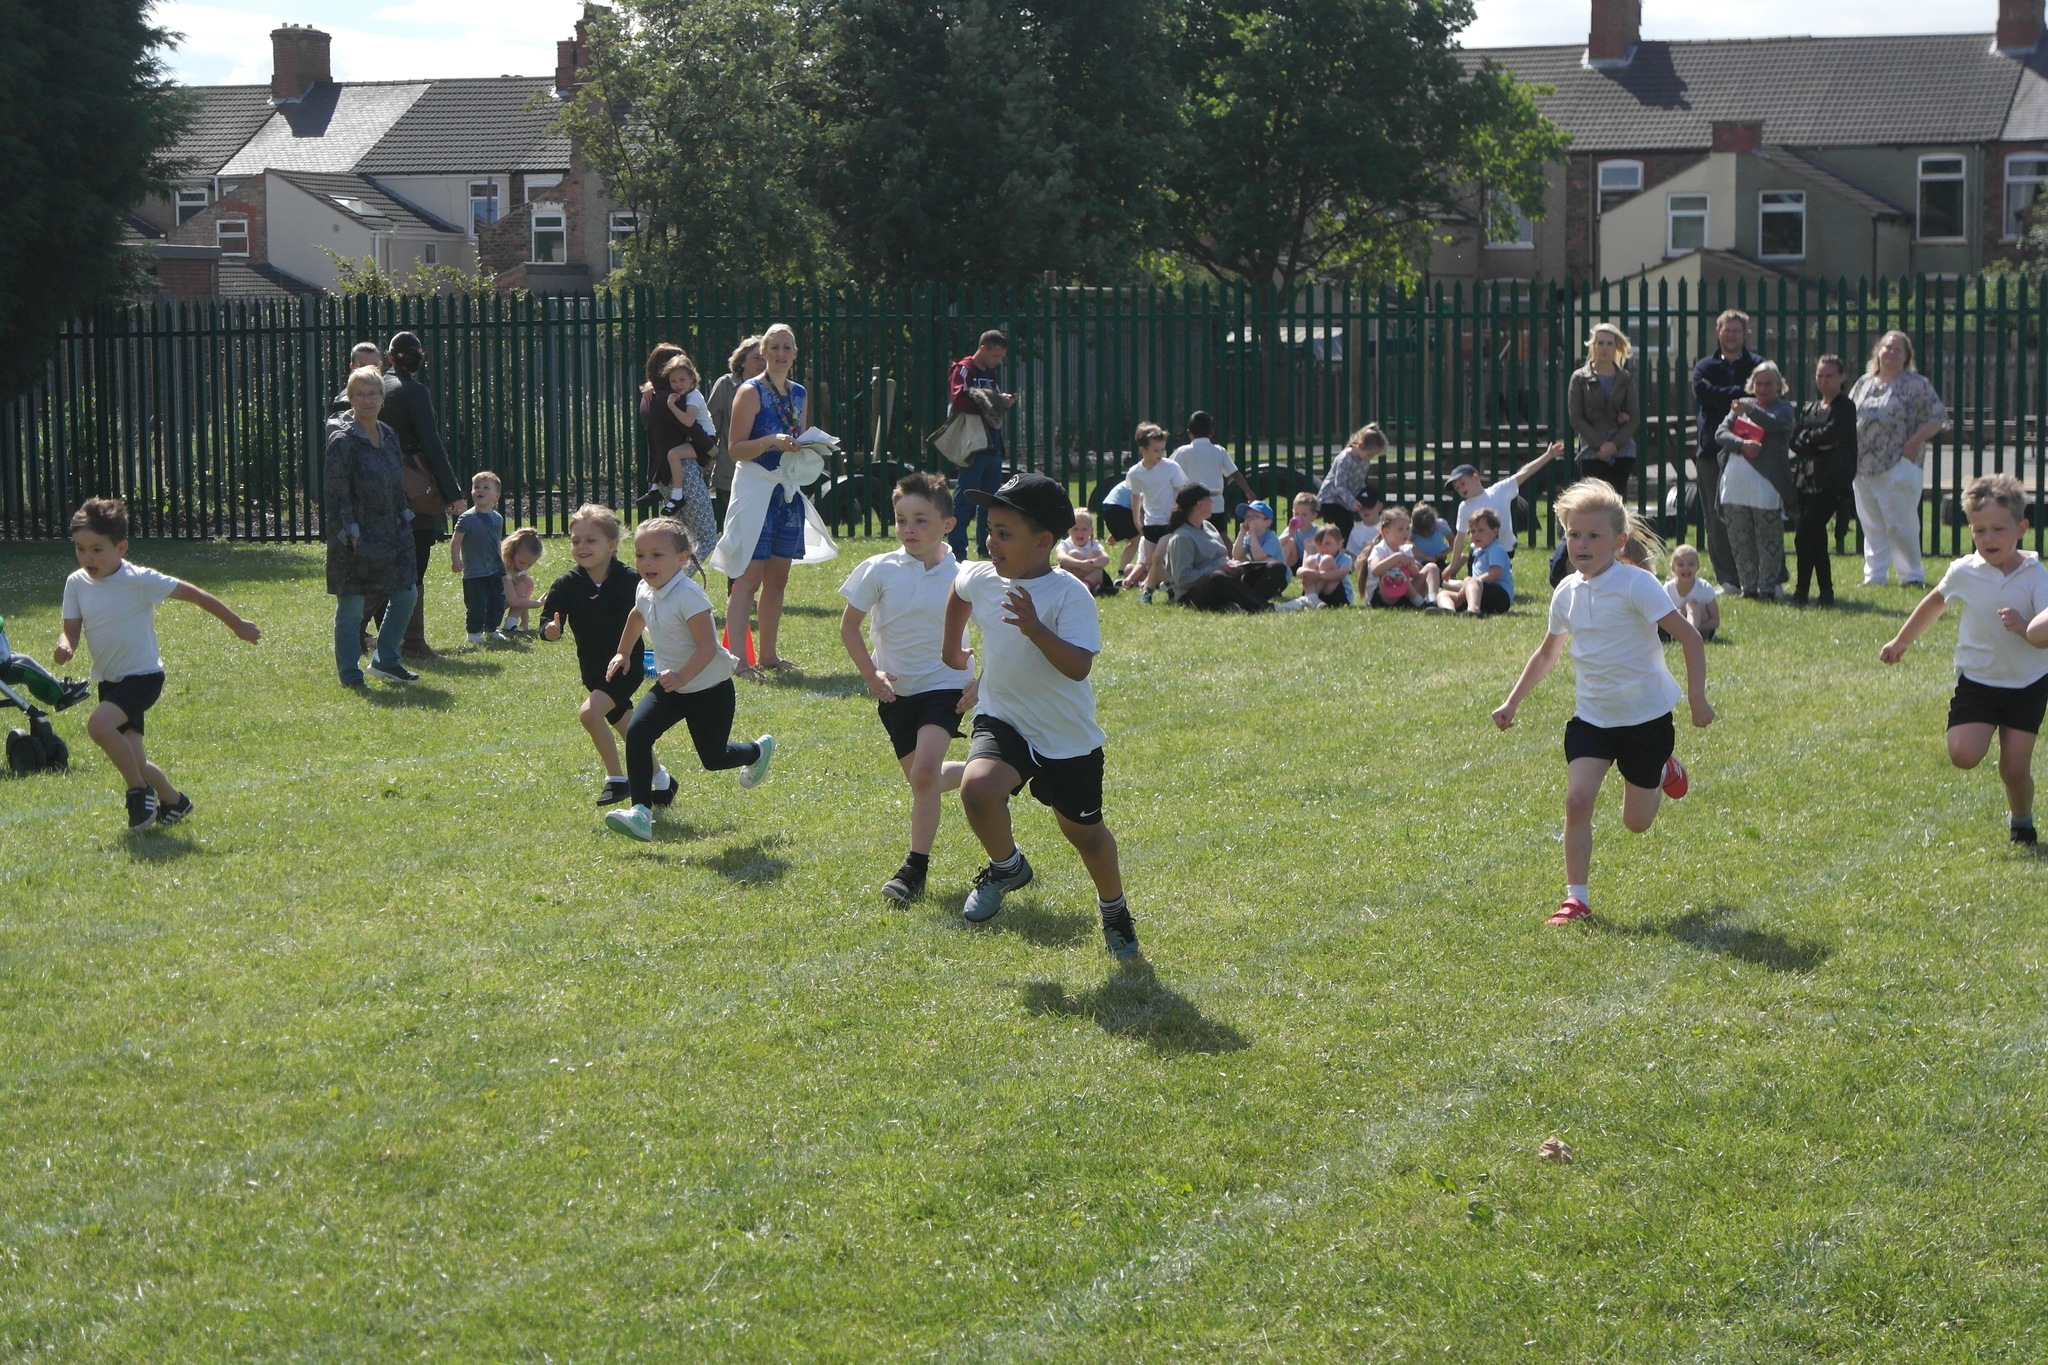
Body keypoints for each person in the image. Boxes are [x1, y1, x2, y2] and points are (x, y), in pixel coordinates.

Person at [1493, 479, 1714, 926]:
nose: (1581, 543)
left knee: (1637, 823)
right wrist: (1512, 702)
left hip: (1645, 719)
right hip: (1592, 718)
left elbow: (1689, 636)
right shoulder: (1566, 592)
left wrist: (1696, 698)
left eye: (1593, 536)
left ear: (1618, 541)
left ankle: (1663, 767)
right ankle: (1577, 898)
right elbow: (1548, 652)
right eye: (1574, 534)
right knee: (1577, 801)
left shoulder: (1637, 584)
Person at [941, 474, 1138, 958]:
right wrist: (951, 649)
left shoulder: (1069, 595)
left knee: (1085, 836)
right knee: (978, 788)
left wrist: (1034, 629)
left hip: (1065, 735)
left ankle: (1114, 910)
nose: (991, 541)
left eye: (1005, 533)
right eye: (990, 529)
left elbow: (1078, 666)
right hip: (1003, 717)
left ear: (1043, 542)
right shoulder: (983, 576)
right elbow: (960, 590)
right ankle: (1007, 867)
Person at [52, 497, 260, 831]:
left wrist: (237, 624)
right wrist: (66, 645)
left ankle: (138, 792)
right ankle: (175, 801)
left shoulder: (139, 580)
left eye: (97, 549)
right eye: (80, 549)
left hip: (143, 677)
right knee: (135, 757)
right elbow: (71, 628)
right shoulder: (76, 583)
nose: (87, 558)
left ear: (121, 547)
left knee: (99, 727)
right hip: (110, 680)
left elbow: (196, 595)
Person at [1879, 474, 2048, 845]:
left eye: (1999, 529)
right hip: (1979, 681)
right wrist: (1902, 640)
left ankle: (2021, 821)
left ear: (2021, 528)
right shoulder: (1964, 571)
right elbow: (1936, 602)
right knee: (1963, 754)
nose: (1989, 539)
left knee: (2014, 768)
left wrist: (2023, 629)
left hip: (2027, 683)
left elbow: (2041, 636)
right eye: (1979, 529)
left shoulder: (2036, 576)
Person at [838, 473, 977, 903]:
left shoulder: (966, 574)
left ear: (948, 524)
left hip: (946, 684)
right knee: (925, 781)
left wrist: (981, 681)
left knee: (922, 776)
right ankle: (989, 773)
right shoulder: (880, 568)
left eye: (921, 520)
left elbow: (1007, 630)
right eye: (901, 520)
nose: (909, 529)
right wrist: (870, 674)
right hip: (895, 692)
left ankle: (913, 870)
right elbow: (849, 628)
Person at [603, 518, 775, 842]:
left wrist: (682, 675)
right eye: (640, 555)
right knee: (638, 732)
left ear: (682, 558)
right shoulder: (645, 588)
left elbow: (709, 646)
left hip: (709, 689)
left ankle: (756, 751)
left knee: (714, 758)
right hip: (673, 687)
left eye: (656, 554)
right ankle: (641, 812)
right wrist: (622, 653)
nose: (646, 563)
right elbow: (637, 615)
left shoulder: (689, 596)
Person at [708, 322, 837, 674]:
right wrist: (770, 441)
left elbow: (797, 437)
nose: (781, 354)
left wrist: (809, 446)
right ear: (763, 354)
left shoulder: (799, 393)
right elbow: (734, 449)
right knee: (747, 578)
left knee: (778, 578)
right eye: (774, 347)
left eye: (787, 347)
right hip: (756, 489)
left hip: (787, 490)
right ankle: (738, 661)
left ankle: (768, 655)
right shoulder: (749, 391)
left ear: (795, 354)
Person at [540, 504, 665, 808]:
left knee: (589, 714)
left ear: (612, 545)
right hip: (593, 673)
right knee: (630, 731)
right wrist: (551, 630)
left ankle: (617, 779)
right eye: (575, 540)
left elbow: (657, 607)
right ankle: (661, 781)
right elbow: (546, 622)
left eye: (590, 540)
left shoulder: (631, 579)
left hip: (625, 666)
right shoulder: (566, 585)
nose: (581, 547)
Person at [325, 365, 423, 687]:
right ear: (350, 399)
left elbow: (396, 484)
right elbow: (336, 493)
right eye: (359, 394)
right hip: (354, 534)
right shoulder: (342, 439)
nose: (366, 400)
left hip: (391, 530)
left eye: (373, 394)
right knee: (352, 607)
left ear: (383, 398)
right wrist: (349, 531)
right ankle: (350, 674)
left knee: (406, 593)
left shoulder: (389, 434)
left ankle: (385, 661)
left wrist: (405, 515)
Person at [377, 331, 467, 660]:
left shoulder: (369, 388)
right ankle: (412, 643)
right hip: (413, 487)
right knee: (414, 566)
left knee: (383, 564)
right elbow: (431, 445)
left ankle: (366, 636)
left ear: (388, 357)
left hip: (374, 484)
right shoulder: (414, 392)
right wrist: (453, 493)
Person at [1851, 330, 1949, 589]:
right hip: (1863, 464)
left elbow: (1937, 418)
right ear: (1878, 351)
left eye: (1898, 349)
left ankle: (1911, 575)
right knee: (1871, 522)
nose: (1891, 352)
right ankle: (1875, 575)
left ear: (1906, 356)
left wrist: (1912, 443)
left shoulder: (1916, 384)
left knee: (1900, 523)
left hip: (1898, 463)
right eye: (1887, 347)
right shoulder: (1864, 383)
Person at [1714, 360, 1797, 601]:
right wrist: (1742, 445)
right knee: (1741, 540)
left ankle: (1768, 588)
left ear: (1778, 386)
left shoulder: (1783, 409)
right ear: (1752, 385)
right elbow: (1721, 433)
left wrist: (1749, 411)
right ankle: (1748, 588)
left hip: (1765, 486)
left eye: (1768, 384)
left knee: (1768, 538)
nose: (1762, 388)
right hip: (1734, 486)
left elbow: (1772, 423)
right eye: (1758, 384)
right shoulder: (1742, 406)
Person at [1691, 310, 1761, 589]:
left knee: (1751, 513)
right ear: (1717, 332)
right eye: (1726, 329)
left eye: (1736, 330)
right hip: (1711, 450)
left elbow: (1760, 399)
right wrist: (1740, 395)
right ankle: (1728, 579)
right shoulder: (1704, 366)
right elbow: (1703, 397)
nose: (1731, 335)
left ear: (1746, 334)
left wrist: (1723, 394)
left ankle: (1755, 576)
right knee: (1715, 517)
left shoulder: (1758, 365)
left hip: (1750, 450)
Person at [1789, 354, 1859, 606]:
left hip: (1831, 481)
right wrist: (1815, 441)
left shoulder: (1845, 407)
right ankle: (1824, 592)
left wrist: (1812, 439)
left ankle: (1801, 590)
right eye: (1820, 375)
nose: (1824, 380)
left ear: (1842, 377)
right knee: (1816, 535)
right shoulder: (1810, 407)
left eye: (1829, 375)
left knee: (1804, 534)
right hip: (1806, 479)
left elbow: (1832, 434)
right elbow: (1795, 439)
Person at [1445, 440, 1563, 579]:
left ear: (1476, 477)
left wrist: (1548, 455)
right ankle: (1464, 570)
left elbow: (1524, 472)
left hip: (1505, 549)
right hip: (1479, 552)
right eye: (1457, 488)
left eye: (1462, 483)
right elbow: (1460, 537)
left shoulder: (1499, 491)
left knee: (1496, 581)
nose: (1460, 489)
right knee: (1477, 585)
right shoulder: (1464, 507)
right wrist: (1452, 566)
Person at [947, 329, 1017, 559]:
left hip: (992, 442)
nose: (998, 362)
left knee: (989, 501)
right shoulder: (964, 368)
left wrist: (1002, 399)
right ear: (983, 348)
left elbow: (988, 398)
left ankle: (986, 548)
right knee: (965, 498)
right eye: (996, 356)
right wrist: (995, 399)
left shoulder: (990, 372)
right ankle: (957, 551)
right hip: (973, 444)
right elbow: (960, 399)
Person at [1160, 485, 1286, 612]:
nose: (1212, 502)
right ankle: (1263, 607)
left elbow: (1222, 558)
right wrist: (1218, 567)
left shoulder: (1208, 526)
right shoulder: (1182, 537)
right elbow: (1183, 579)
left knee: (1277, 568)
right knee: (1217, 577)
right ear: (1200, 504)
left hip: (1225, 580)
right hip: (1194, 594)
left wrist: (1233, 566)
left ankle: (1245, 604)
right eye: (1209, 499)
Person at [657, 354, 719, 563]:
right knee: (673, 454)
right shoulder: (684, 395)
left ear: (692, 379)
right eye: (673, 381)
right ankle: (666, 489)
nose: (677, 385)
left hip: (705, 440)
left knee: (674, 454)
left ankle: (677, 493)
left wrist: (672, 407)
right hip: (695, 441)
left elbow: (689, 421)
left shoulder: (693, 397)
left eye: (682, 380)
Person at [1567, 323, 1638, 495]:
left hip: (1621, 448)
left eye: (1609, 343)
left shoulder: (1625, 378)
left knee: (1617, 499)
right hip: (1592, 449)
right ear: (1593, 346)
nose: (1604, 348)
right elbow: (1576, 418)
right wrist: (1601, 445)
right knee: (1597, 500)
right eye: (1600, 343)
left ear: (1616, 347)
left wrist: (1613, 445)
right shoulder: (1579, 378)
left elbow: (1634, 417)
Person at [1120, 422, 1187, 600]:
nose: (1160, 454)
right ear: (1143, 449)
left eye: (1162, 450)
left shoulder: (1171, 467)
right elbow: (1135, 496)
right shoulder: (1135, 472)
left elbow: (1182, 491)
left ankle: (1147, 592)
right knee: (1151, 563)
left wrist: (1179, 509)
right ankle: (1172, 586)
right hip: (1151, 521)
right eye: (1156, 450)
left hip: (1170, 521)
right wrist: (1136, 519)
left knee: (1158, 558)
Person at [707, 336, 765, 525]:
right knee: (735, 526)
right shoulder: (726, 385)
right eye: (756, 357)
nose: (762, 361)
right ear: (742, 360)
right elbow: (710, 426)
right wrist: (708, 458)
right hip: (731, 469)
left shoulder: (775, 386)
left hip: (766, 470)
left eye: (765, 356)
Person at [1171, 411, 1255, 534]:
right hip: (1215, 502)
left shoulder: (1182, 452)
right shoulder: (1219, 451)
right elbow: (1234, 473)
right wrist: (1249, 492)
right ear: (1211, 433)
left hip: (1192, 505)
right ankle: (1232, 554)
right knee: (1220, 535)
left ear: (1189, 432)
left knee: (1190, 534)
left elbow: (1169, 469)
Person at [450, 471, 509, 644]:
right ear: (471, 492)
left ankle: (492, 629)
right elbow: (456, 540)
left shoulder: (497, 518)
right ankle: (474, 632)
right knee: (476, 604)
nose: (480, 490)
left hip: (494, 569)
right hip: (474, 572)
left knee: (496, 601)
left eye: (485, 487)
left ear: (496, 496)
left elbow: (497, 543)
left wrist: (501, 566)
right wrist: (455, 560)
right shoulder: (467, 518)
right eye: (476, 487)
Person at [1436, 507, 1512, 616]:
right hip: (1479, 595)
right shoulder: (1477, 551)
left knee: (1470, 580)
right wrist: (1467, 585)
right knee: (1443, 595)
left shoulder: (1496, 549)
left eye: (1481, 530)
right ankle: (1449, 610)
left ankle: (1473, 610)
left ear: (1495, 531)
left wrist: (1469, 583)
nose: (1476, 535)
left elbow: (1495, 574)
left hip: (1500, 596)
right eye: (1472, 531)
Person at [1362, 506, 1441, 609]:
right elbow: (1375, 570)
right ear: (1386, 532)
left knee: (1431, 567)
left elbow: (1415, 574)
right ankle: (1420, 604)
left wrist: (1411, 566)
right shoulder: (1380, 549)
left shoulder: (1406, 549)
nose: (1405, 533)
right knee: (1397, 572)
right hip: (1383, 597)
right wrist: (1396, 558)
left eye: (1407, 528)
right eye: (1400, 529)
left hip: (1403, 593)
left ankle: (1432, 602)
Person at [1317, 424, 1385, 541]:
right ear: (1361, 445)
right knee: (1335, 533)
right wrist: (1352, 501)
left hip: (1346, 502)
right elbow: (1339, 485)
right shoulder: (1345, 458)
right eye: (1369, 454)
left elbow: (1359, 482)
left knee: (1347, 531)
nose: (1370, 458)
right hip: (1331, 500)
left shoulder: (1365, 461)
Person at [1282, 525, 1354, 609]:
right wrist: (1306, 572)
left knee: (1327, 560)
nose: (1323, 547)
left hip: (1337, 595)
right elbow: (1299, 571)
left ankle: (1309, 598)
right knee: (1310, 561)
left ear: (1339, 544)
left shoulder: (1344, 558)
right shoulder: (1316, 557)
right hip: (1319, 596)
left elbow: (1341, 573)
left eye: (1327, 543)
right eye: (1319, 544)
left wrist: (1318, 575)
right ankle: (1312, 599)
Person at [1662, 544, 1720, 642]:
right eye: (1680, 564)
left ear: (1698, 566)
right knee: (1676, 612)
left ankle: (1690, 634)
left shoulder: (1704, 588)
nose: (1686, 568)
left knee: (1693, 605)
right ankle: (1685, 635)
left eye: (1691, 564)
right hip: (1676, 630)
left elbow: (1715, 620)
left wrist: (1696, 627)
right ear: (1673, 568)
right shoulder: (1667, 589)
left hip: (1702, 631)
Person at [1057, 509, 1116, 596]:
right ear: (1069, 530)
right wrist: (1080, 564)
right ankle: (1082, 587)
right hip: (1072, 579)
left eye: (1084, 529)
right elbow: (1061, 558)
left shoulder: (1093, 544)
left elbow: (1106, 558)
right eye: (1075, 529)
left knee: (1095, 555)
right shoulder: (1066, 544)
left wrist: (1092, 563)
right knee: (1074, 554)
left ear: (1091, 531)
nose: (1079, 533)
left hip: (1090, 578)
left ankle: (1087, 584)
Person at [1232, 500, 1288, 591]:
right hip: (1260, 573)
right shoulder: (1248, 535)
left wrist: (1252, 533)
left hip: (1278, 576)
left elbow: (1259, 557)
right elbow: (1236, 555)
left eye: (1255, 516)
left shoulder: (1271, 538)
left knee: (1268, 560)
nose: (1250, 519)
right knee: (1237, 561)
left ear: (1267, 523)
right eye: (1247, 516)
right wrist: (1241, 533)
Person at [500, 527, 544, 634]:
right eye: (522, 562)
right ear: (511, 551)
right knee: (522, 586)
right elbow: (513, 601)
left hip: (503, 598)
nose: (524, 567)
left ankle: (511, 623)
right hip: (489, 604)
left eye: (530, 565)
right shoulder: (503, 568)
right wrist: (538, 603)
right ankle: (489, 624)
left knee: (527, 582)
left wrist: (525, 621)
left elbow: (523, 599)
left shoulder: (518, 567)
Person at [1097, 480, 1141, 581]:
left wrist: (1116, 533)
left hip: (1109, 507)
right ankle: (1122, 571)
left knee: (1136, 540)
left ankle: (1122, 571)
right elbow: (1140, 510)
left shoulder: (1135, 479)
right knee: (1138, 541)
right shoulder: (1143, 482)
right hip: (1119, 508)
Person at [327, 341, 383, 417]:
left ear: (380, 365)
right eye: (362, 365)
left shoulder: (389, 394)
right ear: (352, 367)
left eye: (374, 365)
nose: (369, 370)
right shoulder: (344, 404)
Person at [1282, 492, 1320, 570]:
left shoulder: (1317, 531)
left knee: (1310, 543)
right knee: (1289, 541)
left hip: (1312, 562)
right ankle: (1281, 568)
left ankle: (1307, 572)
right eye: (1296, 513)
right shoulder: (1292, 529)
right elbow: (1276, 544)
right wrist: (1289, 534)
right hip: (1293, 562)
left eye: (1304, 515)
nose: (1299, 517)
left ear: (1314, 516)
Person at [1409, 502, 1450, 568]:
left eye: (1430, 531)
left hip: (1439, 558)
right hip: (1421, 561)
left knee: (1463, 557)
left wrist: (1443, 553)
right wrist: (1426, 557)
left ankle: (1446, 572)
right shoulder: (1410, 529)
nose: (1426, 534)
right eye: (1422, 532)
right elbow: (1408, 546)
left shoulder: (1441, 524)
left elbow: (1453, 542)